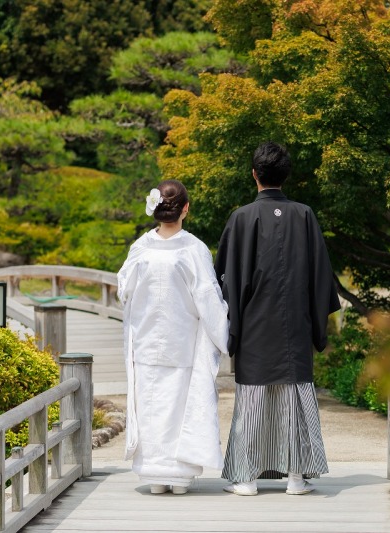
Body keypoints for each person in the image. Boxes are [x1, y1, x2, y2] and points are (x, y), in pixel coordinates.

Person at [215, 141, 341, 496]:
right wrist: (317, 325)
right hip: (296, 323)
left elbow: (225, 278)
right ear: (285, 176)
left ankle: (246, 479)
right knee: (294, 397)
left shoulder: (241, 218)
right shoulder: (304, 215)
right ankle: (296, 478)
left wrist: (230, 327)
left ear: (254, 174)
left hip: (254, 324)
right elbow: (321, 277)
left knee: (252, 400)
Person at [117, 179, 229, 495]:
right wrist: (226, 335)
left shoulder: (140, 248)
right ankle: (179, 477)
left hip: (147, 341)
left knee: (151, 404)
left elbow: (124, 291)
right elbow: (208, 298)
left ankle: (155, 476)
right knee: (181, 407)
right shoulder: (194, 249)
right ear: (185, 209)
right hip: (183, 340)